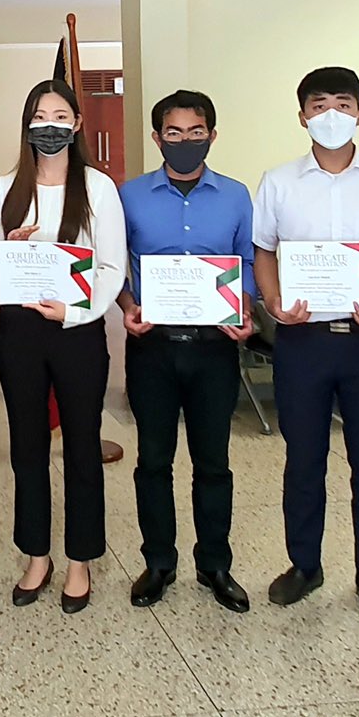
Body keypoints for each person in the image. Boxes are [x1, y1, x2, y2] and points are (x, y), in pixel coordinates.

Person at [252, 67, 359, 621]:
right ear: (302, 117)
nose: (331, 116)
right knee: (304, 460)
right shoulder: (278, 181)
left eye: (343, 104)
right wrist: (275, 306)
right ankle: (305, 564)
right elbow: (265, 252)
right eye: (319, 106)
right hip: (303, 340)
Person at [117, 89, 258, 613]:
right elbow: (115, 265)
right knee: (153, 460)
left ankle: (214, 564)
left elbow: (246, 264)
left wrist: (243, 310)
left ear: (212, 136)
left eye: (195, 132)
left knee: (213, 462)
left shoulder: (237, 195)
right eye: (173, 133)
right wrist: (128, 305)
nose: (184, 142)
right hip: (152, 346)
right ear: (157, 138)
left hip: (213, 348)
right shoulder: (128, 196)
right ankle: (158, 562)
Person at [0, 79, 126, 613]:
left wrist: (75, 311)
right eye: (39, 115)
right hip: (20, 332)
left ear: (76, 124)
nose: (50, 124)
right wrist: (11, 248)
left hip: (78, 331)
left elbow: (111, 266)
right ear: (27, 124)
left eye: (60, 114)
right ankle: (37, 555)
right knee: (27, 447)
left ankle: (80, 560)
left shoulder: (98, 188)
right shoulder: (6, 187)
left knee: (82, 446)